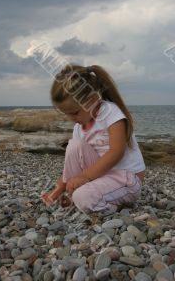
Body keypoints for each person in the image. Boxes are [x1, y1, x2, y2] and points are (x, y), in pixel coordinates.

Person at [41, 64, 145, 213]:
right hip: (102, 175)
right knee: (74, 146)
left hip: (128, 179)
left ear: (93, 99)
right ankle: (89, 195)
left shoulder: (111, 113)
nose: (71, 119)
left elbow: (116, 152)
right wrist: (59, 189)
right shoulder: (79, 127)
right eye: (66, 114)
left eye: (75, 112)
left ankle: (112, 206)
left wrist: (85, 176)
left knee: (82, 198)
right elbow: (72, 163)